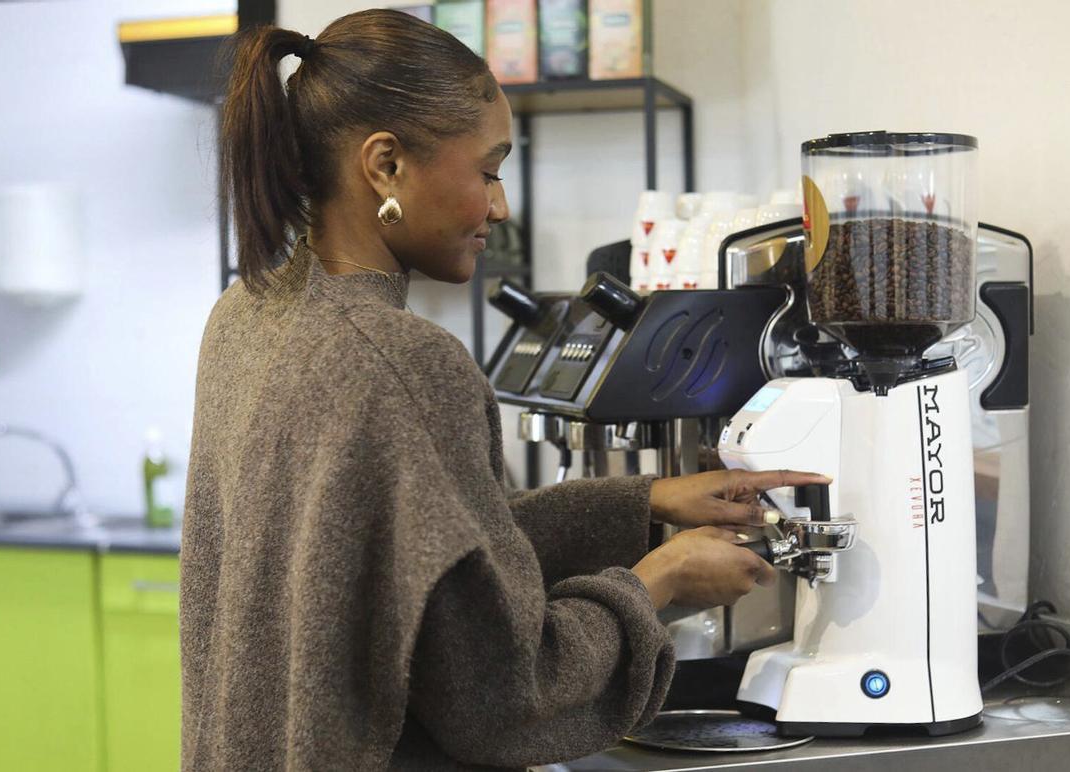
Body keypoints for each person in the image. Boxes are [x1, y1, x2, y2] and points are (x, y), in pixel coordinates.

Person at [181, 9, 828, 771]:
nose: (500, 206)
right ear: (384, 165)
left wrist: (646, 502)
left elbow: (420, 553)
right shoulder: (404, 360)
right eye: (487, 171)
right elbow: (502, 696)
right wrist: (657, 583)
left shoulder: (247, 315)